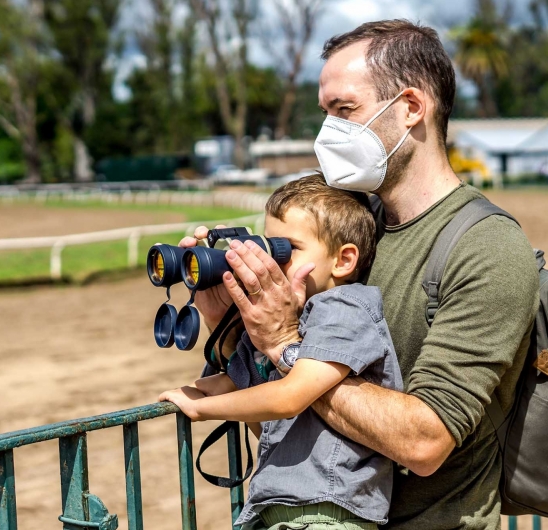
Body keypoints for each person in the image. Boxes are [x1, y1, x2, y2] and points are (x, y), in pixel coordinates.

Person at [180, 20, 539, 530]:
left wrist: (284, 344)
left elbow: (424, 442)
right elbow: (286, 407)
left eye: (345, 111)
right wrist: (229, 321)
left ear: (412, 108)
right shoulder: (352, 223)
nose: (329, 132)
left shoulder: (487, 246)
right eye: (325, 113)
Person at [160, 175, 403, 530]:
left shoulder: (344, 308)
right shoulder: (290, 316)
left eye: (285, 249)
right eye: (265, 246)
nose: (270, 262)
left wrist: (200, 407)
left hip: (328, 514)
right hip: (281, 512)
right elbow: (238, 382)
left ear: (343, 260)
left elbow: (289, 396)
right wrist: (218, 317)